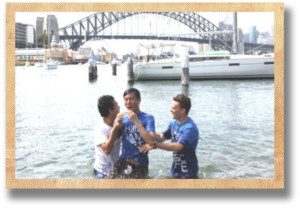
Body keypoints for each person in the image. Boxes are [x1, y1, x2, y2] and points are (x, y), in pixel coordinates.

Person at [141, 94, 199, 179]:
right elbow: (161, 137)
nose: (170, 110)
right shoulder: (173, 123)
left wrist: (155, 145)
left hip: (188, 173)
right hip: (175, 170)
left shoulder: (190, 128)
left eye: (173, 108)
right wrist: (149, 133)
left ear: (183, 110)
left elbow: (178, 147)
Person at [108, 88, 156, 179]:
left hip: (139, 165)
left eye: (132, 99)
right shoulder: (122, 117)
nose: (128, 102)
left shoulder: (148, 118)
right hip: (122, 162)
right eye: (126, 99)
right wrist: (115, 126)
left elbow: (151, 141)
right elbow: (112, 140)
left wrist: (136, 122)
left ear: (139, 99)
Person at [93, 95, 124, 179]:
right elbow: (107, 150)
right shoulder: (100, 128)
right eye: (116, 105)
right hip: (102, 172)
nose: (119, 107)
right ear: (111, 110)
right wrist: (115, 129)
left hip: (116, 169)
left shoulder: (121, 123)